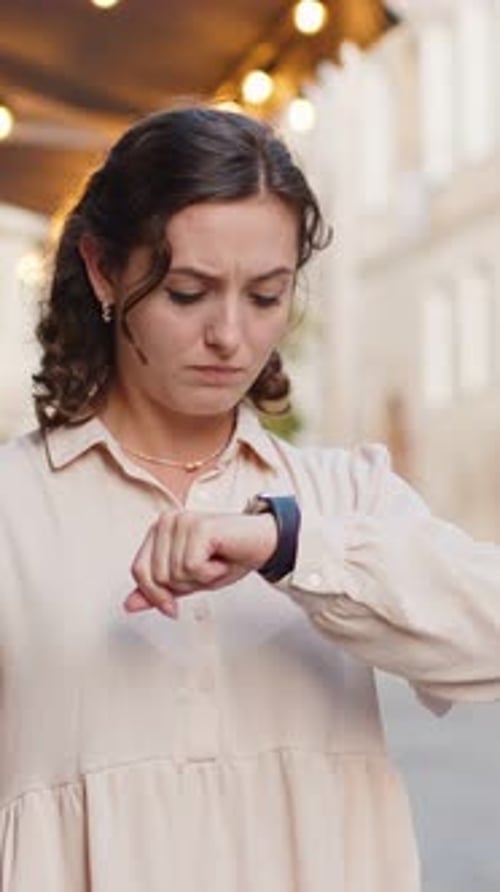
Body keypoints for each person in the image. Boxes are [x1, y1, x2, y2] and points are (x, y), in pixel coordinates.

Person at [1, 105, 500, 892]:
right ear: (103, 271)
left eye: (266, 296)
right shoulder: (13, 513)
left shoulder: (342, 494)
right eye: (189, 292)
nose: (230, 335)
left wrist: (291, 544)